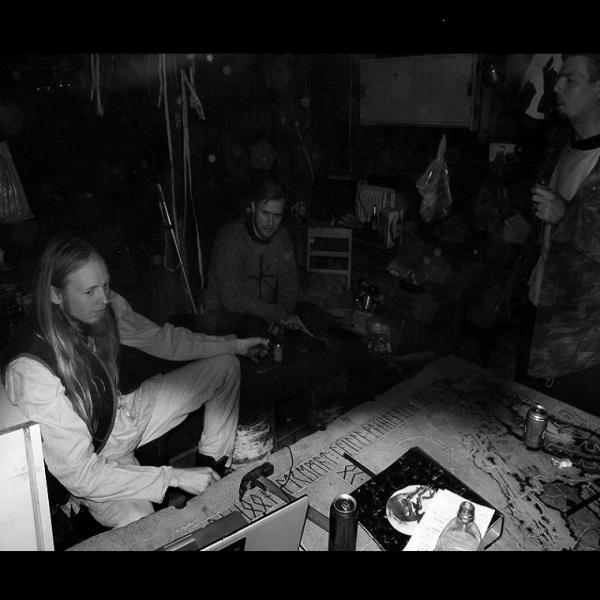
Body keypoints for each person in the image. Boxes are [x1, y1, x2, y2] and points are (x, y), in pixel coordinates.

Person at [1, 235, 268, 529]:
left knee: (225, 367)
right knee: (141, 521)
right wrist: (173, 477)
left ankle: (212, 481)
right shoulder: (30, 368)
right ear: (56, 295)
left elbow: (163, 340)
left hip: (125, 413)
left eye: (106, 285)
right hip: (97, 459)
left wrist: (236, 345)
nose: (104, 299)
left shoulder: (103, 305)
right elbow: (80, 473)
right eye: (90, 291)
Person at [524, 53, 600, 415]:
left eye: (571, 79)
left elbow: (566, 217)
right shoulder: (564, 146)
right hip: (540, 315)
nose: (557, 86)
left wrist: (564, 215)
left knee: (570, 439)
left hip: (583, 349)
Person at [202, 178, 301, 337]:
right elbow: (233, 301)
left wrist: (285, 317)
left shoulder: (282, 238)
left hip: (263, 317)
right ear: (254, 208)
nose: (271, 223)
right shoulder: (231, 238)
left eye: (277, 216)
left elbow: (289, 285)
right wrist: (276, 314)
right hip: (223, 318)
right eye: (265, 213)